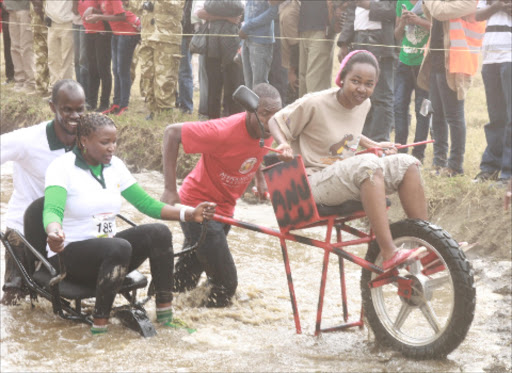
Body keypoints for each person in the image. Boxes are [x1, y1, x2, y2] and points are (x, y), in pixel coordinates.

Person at [43, 112, 217, 334]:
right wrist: (54, 232)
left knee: (159, 233)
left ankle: (165, 316)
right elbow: (52, 210)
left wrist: (189, 214)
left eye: (114, 141)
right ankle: (100, 326)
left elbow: (146, 204)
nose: (112, 148)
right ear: (84, 141)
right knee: (119, 246)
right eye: (105, 142)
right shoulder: (62, 167)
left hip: (111, 254)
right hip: (69, 257)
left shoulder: (115, 166)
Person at [268, 51, 427, 271]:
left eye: (369, 84)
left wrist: (371, 144)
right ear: (342, 78)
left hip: (345, 177)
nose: (362, 89)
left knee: (407, 164)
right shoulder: (314, 103)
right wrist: (283, 144)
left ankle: (426, 246)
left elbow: (344, 131)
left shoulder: (364, 104)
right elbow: (275, 120)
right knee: (368, 165)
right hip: (312, 182)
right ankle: (389, 252)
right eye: (355, 81)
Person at [161, 83, 282, 307]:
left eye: (277, 115)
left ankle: (162, 306)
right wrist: (169, 189)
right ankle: (207, 336)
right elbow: (171, 133)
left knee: (186, 278)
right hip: (199, 207)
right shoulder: (222, 130)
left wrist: (260, 178)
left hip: (225, 207)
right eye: (265, 114)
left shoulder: (272, 128)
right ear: (250, 109)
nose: (271, 122)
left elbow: (255, 148)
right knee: (226, 284)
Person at [0, 79, 85, 305]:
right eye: (67, 109)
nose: (75, 116)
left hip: (66, 228)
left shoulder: (89, 140)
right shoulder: (28, 140)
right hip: (24, 231)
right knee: (15, 300)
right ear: (52, 107)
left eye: (80, 109)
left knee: (71, 292)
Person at [417, 1, 483, 177]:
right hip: (437, 60)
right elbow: (430, 13)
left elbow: (439, 11)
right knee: (437, 115)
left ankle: (455, 166)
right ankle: (439, 162)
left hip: (455, 63)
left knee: (453, 116)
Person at [337, 0, 397, 142]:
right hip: (358, 38)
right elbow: (352, 11)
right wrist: (344, 42)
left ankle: (379, 141)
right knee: (360, 92)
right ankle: (362, 138)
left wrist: (369, 5)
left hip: (380, 40)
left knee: (381, 96)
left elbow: (394, 10)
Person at [473, 0, 511, 183]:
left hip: (510, 56)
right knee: (496, 117)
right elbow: (477, 15)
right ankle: (491, 168)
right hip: (490, 57)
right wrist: (498, 6)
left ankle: (508, 172)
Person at [84, 0, 141, 116]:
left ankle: (124, 105)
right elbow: (109, 11)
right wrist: (95, 11)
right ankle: (116, 103)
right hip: (117, 32)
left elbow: (121, 15)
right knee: (115, 70)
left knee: (122, 71)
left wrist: (99, 16)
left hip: (127, 32)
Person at [394, 0, 431, 163]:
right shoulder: (401, 2)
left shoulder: (430, 3)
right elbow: (397, 35)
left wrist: (417, 20)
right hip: (404, 63)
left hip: (424, 65)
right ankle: (400, 151)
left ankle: (418, 154)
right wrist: (402, 22)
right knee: (399, 106)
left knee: (422, 110)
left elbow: (437, 28)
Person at [196, 0, 244, 119]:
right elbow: (201, 12)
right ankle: (213, 120)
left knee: (233, 84)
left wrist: (213, 15)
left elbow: (239, 10)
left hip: (232, 47)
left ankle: (233, 119)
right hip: (212, 46)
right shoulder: (211, 2)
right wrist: (227, 17)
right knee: (213, 85)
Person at [138, 0, 183, 120]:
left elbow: (177, 7)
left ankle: (165, 114)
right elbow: (139, 8)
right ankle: (152, 110)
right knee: (147, 76)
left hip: (166, 40)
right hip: (147, 37)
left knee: (165, 79)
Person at [297, 0, 338, 97]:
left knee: (315, 84)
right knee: (303, 83)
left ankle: (316, 112)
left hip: (322, 29)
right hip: (304, 27)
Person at [78, 0, 112, 113]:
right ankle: (92, 102)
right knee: (92, 69)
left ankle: (104, 103)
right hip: (89, 32)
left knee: (103, 68)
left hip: (103, 32)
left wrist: (93, 10)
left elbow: (108, 12)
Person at [239, 0, 278, 89]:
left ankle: (261, 104)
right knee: (248, 85)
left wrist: (247, 26)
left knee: (259, 86)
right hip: (246, 40)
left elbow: (273, 12)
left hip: (261, 41)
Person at [4, 0, 36, 93]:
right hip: (11, 9)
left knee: (26, 47)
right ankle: (19, 81)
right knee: (14, 47)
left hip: (24, 9)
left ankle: (30, 82)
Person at [45, 0, 76, 87]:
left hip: (67, 23)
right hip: (52, 24)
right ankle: (54, 89)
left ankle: (66, 89)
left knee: (67, 59)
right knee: (53, 58)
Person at [30, 0, 50, 96]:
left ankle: (50, 87)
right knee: (39, 56)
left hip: (47, 21)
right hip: (36, 21)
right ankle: (40, 87)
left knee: (51, 56)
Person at [1, 0, 15, 85]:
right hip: (5, 11)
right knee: (7, 45)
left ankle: (19, 75)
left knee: (18, 45)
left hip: (15, 8)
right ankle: (10, 75)